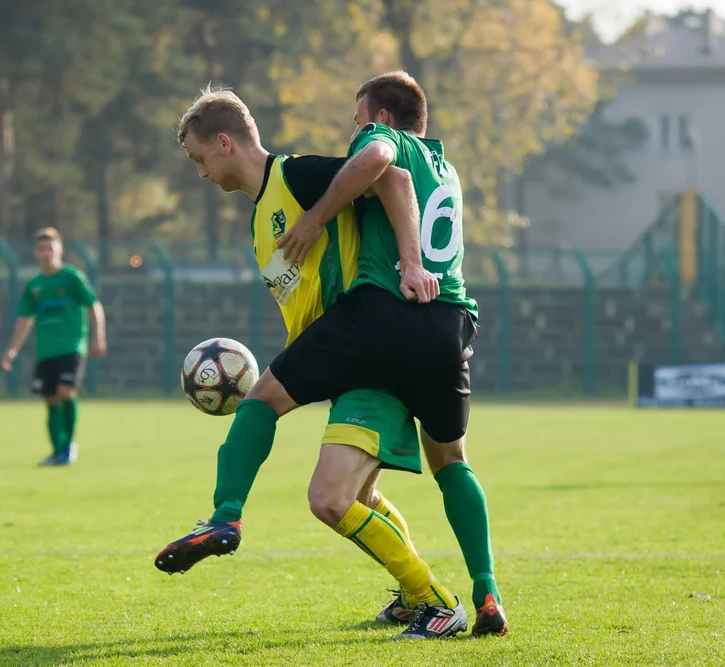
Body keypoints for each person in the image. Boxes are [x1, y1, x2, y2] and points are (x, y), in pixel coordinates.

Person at [158, 72, 508, 639]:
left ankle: (225, 518)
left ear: (224, 143)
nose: (199, 172)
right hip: (430, 327)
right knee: (382, 486)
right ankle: (466, 592)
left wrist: (385, 251)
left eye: (199, 158)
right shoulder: (264, 215)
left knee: (268, 411)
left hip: (370, 331)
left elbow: (389, 177)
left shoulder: (301, 175)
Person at [1, 228, 107, 466]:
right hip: (46, 351)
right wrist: (12, 350)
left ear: (60, 250)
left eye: (50, 248)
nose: (46, 253)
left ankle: (68, 446)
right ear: (35, 252)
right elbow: (24, 318)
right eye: (41, 249)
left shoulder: (72, 278)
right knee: (50, 399)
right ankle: (57, 451)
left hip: (71, 346)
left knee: (65, 392)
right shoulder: (35, 285)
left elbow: (94, 305)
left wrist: (98, 337)